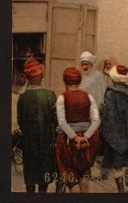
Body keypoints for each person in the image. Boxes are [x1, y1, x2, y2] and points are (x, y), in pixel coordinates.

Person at [100, 64, 128, 193]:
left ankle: (121, 191)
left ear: (113, 78)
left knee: (117, 165)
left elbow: (108, 117)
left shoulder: (111, 94)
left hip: (117, 136)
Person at [55, 66, 101, 193]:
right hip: (87, 142)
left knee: (70, 175)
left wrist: (76, 138)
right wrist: (85, 137)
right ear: (79, 81)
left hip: (68, 141)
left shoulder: (62, 98)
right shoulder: (89, 96)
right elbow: (96, 120)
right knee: (84, 172)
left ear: (65, 82)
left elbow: (62, 123)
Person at [16, 59, 58, 193]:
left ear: (28, 77)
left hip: (29, 144)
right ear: (41, 75)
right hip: (46, 144)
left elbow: (20, 121)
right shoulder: (50, 96)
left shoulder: (22, 98)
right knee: (43, 179)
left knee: (30, 177)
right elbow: (56, 122)